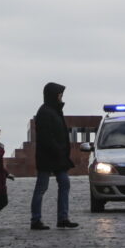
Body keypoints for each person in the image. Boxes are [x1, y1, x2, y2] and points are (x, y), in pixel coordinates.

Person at [30, 82, 78, 230]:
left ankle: (63, 218)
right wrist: (58, 150)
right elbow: (46, 137)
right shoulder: (45, 112)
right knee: (41, 187)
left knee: (64, 184)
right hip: (48, 156)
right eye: (59, 94)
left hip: (59, 156)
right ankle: (35, 219)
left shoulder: (55, 110)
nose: (61, 97)